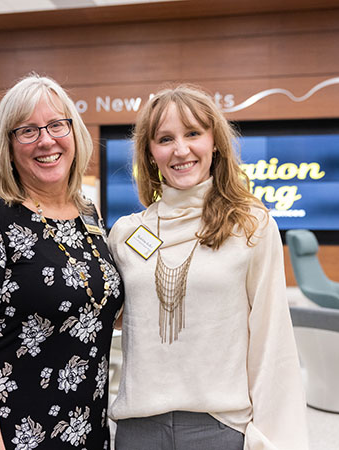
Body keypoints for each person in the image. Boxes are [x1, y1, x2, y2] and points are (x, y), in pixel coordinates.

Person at [107, 85, 308, 449]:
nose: (180, 150)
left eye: (193, 133)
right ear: (150, 153)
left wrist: (272, 438)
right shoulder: (125, 234)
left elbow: (271, 338)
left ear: (215, 142)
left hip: (218, 429)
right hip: (138, 431)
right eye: (165, 138)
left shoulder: (251, 225)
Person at [0, 74, 123, 450]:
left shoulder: (87, 213)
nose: (46, 140)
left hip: (86, 430)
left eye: (57, 125)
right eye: (27, 131)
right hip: (12, 436)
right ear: (8, 146)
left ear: (75, 132)